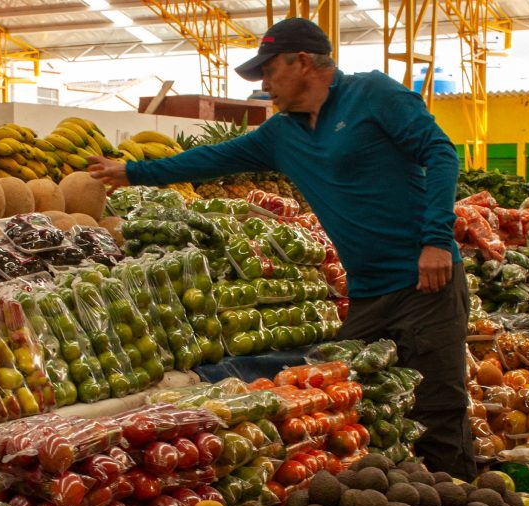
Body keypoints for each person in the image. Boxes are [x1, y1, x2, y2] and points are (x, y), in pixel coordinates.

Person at [87, 18, 476, 479]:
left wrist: (435, 239)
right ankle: (401, 498)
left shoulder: (375, 94)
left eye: (269, 72)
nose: (265, 85)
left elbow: (440, 153)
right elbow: (213, 159)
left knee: (439, 407)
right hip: (369, 292)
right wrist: (132, 173)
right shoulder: (282, 134)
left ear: (303, 61)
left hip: (425, 282)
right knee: (363, 402)